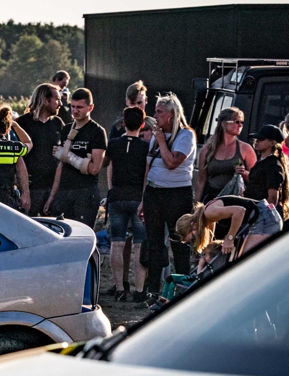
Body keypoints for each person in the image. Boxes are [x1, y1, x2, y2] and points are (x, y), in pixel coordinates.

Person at [140, 93, 197, 299]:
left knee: (179, 242)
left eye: (159, 112)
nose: (155, 116)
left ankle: (182, 290)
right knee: (154, 243)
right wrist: (143, 198)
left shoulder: (185, 135)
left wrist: (162, 141)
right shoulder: (156, 135)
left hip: (177, 194)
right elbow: (149, 166)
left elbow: (172, 163)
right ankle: (152, 290)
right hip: (154, 193)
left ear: (172, 115)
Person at [103, 106, 149, 302]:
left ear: (123, 123)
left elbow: (107, 166)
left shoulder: (113, 144)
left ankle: (120, 288)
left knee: (117, 243)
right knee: (139, 245)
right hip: (138, 197)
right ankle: (139, 290)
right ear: (142, 124)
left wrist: (111, 189)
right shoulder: (146, 147)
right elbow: (147, 175)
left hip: (117, 197)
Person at [44, 88, 107, 228]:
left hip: (86, 192)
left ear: (90, 107)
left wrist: (69, 156)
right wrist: (52, 197)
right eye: (72, 106)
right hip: (64, 191)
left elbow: (95, 168)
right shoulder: (66, 130)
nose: (75, 110)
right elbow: (60, 166)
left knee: (83, 236)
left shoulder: (97, 131)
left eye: (79, 107)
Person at [176, 194, 283, 259]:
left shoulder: (209, 213)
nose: (196, 240)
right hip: (262, 218)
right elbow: (211, 237)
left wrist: (230, 238)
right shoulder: (207, 216)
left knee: (245, 262)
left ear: (192, 225)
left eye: (193, 238)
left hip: (265, 219)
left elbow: (240, 211)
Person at [15, 83, 64, 216]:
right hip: (30, 189)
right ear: (45, 100)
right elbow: (15, 158)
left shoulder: (58, 123)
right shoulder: (23, 123)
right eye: (57, 99)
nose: (60, 104)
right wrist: (24, 192)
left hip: (53, 189)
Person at [194, 107, 256, 204]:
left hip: (234, 200)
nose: (240, 125)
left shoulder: (245, 148)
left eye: (242, 122)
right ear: (224, 124)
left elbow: (255, 178)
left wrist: (243, 172)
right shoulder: (207, 149)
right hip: (211, 197)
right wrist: (196, 205)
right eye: (236, 122)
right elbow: (201, 180)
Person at [243, 124, 289, 218]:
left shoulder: (273, 165)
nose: (257, 141)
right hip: (250, 211)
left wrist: (262, 217)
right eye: (256, 139)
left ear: (272, 143)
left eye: (261, 139)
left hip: (259, 215)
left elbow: (272, 198)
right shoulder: (262, 162)